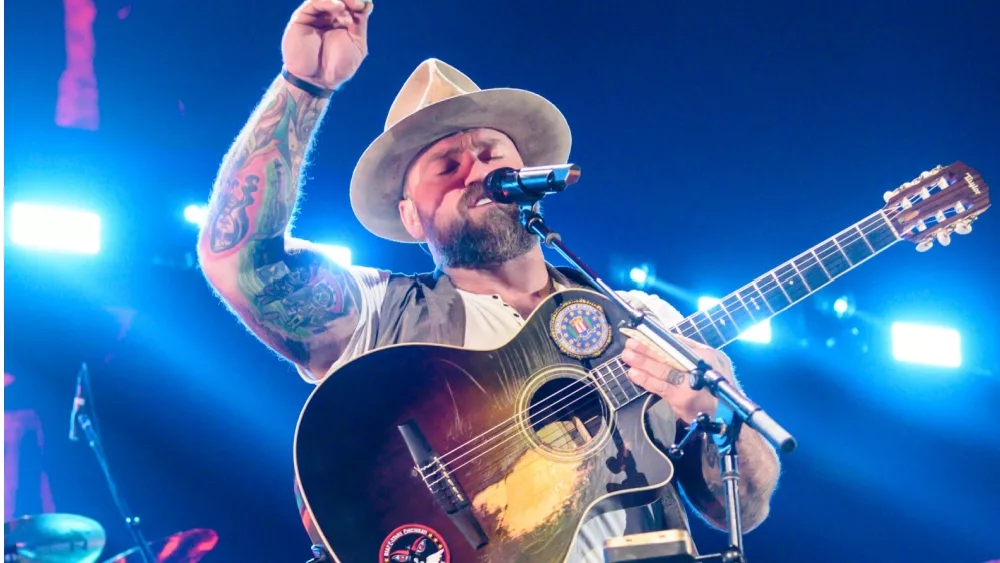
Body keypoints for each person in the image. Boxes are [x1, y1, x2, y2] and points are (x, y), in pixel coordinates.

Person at [196, 0, 781, 560]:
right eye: (446, 166)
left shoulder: (642, 319)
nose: (475, 170)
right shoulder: (380, 312)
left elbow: (742, 511)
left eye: (489, 153)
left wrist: (715, 409)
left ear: (526, 175)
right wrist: (304, 86)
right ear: (408, 215)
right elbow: (242, 263)